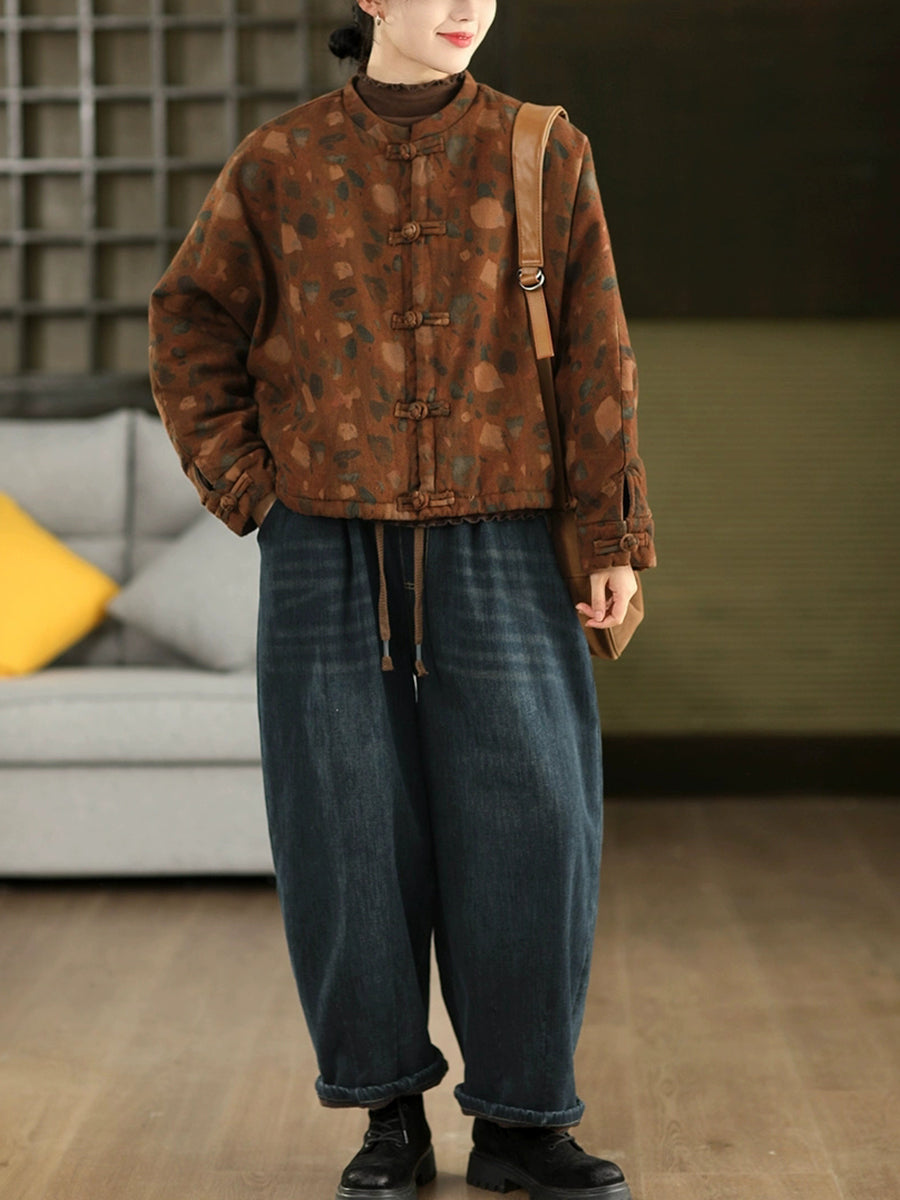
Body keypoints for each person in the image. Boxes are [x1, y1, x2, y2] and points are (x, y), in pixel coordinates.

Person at [148, 1, 655, 1197]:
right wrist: (254, 491)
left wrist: (612, 535)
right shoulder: (280, 161)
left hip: (506, 533)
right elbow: (188, 323)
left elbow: (598, 346)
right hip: (324, 542)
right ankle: (388, 1118)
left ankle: (523, 1124)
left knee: (534, 828)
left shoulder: (543, 146)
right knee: (343, 833)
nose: (465, 5)